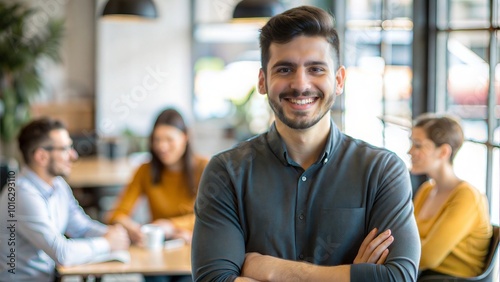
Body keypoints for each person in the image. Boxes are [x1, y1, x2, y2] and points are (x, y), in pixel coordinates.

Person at [192, 5, 420, 282]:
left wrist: (269, 269)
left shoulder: (382, 170)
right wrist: (354, 275)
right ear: (263, 81)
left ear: (338, 80)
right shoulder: (226, 172)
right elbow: (213, 280)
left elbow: (398, 278)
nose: (300, 84)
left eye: (316, 69)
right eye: (285, 69)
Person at [0, 117, 130, 282]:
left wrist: (111, 233)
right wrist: (107, 243)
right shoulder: (21, 194)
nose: (73, 155)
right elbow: (62, 253)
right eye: (65, 149)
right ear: (41, 156)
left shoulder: (58, 185)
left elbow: (80, 227)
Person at [107, 108, 208, 282]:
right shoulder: (145, 170)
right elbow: (116, 214)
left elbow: (210, 217)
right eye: (157, 140)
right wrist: (132, 228)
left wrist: (170, 226)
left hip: (192, 249)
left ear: (185, 137)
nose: (162, 146)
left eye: (169, 139)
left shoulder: (204, 168)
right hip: (157, 253)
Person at [409, 113, 492, 279]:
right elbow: (408, 238)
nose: (410, 151)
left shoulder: (467, 197)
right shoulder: (427, 190)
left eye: (418, 145)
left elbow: (427, 257)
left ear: (443, 152)